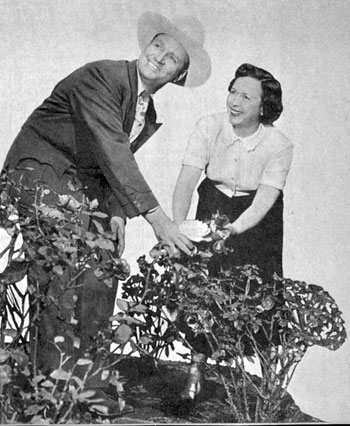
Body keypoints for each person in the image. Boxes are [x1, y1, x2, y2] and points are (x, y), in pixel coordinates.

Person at [1, 12, 211, 416]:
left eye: (171, 59)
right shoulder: (102, 77)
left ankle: (89, 384)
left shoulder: (145, 112)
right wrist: (157, 218)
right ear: (146, 45)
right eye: (158, 46)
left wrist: (116, 213)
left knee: (103, 267)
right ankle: (55, 393)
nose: (159, 58)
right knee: (63, 271)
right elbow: (113, 148)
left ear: (178, 76)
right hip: (40, 173)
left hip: (82, 187)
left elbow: (112, 160)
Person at [172, 63, 294, 401]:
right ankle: (195, 373)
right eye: (232, 92)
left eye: (246, 96)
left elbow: (263, 202)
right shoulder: (209, 127)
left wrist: (233, 230)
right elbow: (186, 182)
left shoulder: (279, 145)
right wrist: (179, 229)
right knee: (203, 285)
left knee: (262, 288)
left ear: (264, 107)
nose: (235, 102)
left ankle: (270, 384)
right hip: (213, 204)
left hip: (259, 219)